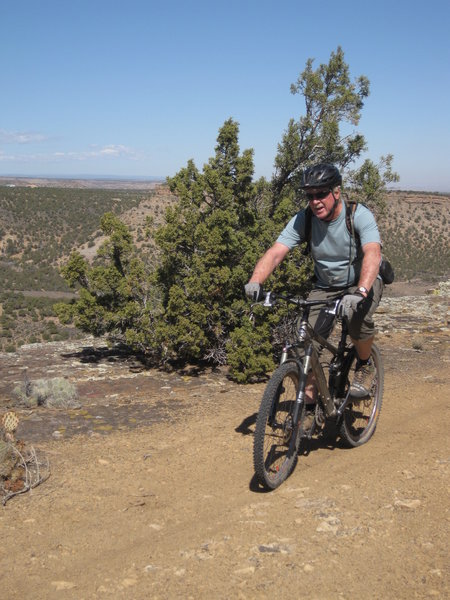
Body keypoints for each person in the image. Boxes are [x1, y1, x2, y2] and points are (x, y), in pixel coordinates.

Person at [244, 162, 384, 404]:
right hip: (325, 287)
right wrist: (255, 281)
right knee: (305, 347)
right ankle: (308, 412)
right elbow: (276, 252)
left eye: (321, 194)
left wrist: (361, 291)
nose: (315, 201)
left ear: (336, 192)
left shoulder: (357, 215)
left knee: (356, 319)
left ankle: (364, 364)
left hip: (361, 283)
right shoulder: (304, 219)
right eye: (310, 196)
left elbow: (372, 252)